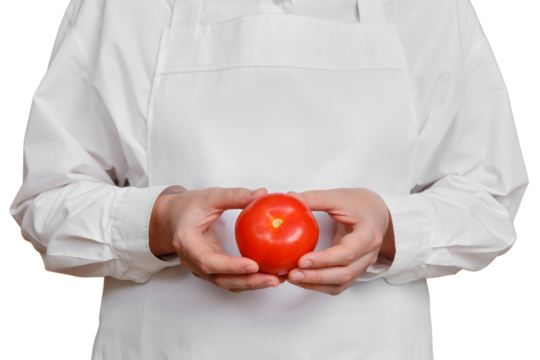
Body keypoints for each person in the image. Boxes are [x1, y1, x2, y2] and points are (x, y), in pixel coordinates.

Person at [9, 0, 528, 358]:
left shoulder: (432, 10)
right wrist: (161, 221)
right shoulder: (120, 8)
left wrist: (391, 227)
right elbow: (48, 200)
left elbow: (487, 197)